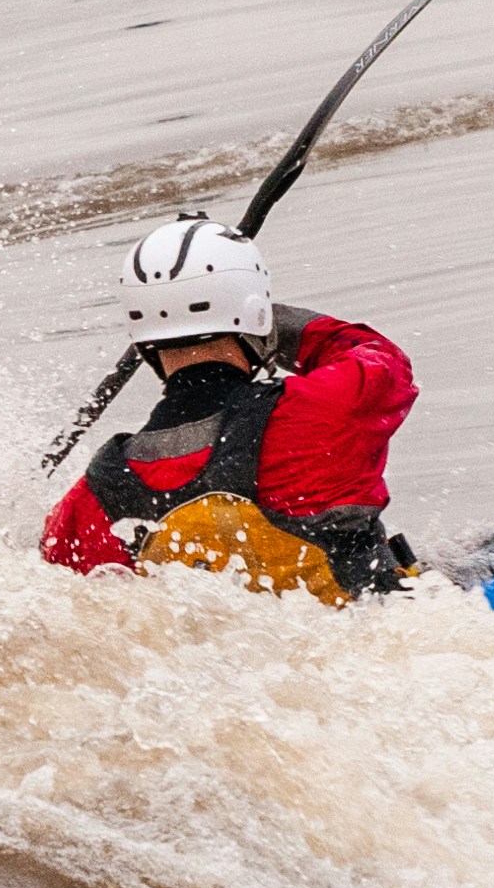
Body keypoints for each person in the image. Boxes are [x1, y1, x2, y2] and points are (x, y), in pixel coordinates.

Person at [39, 216, 418, 605]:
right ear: (255, 314)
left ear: (143, 341)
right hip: (370, 632)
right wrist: (273, 322)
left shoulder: (96, 494)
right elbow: (383, 359)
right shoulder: (322, 410)